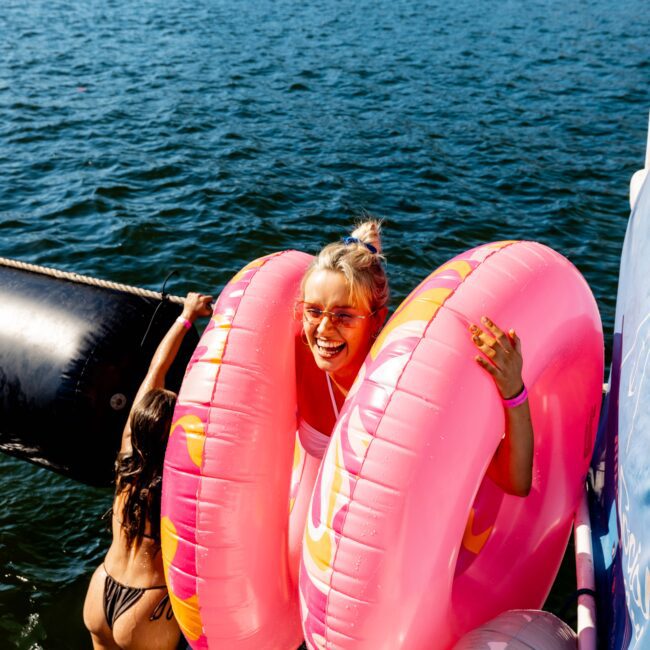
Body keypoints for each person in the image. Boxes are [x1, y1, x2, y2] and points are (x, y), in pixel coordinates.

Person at [294, 219, 533, 497]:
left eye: (343, 316)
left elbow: (516, 483)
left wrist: (514, 391)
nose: (323, 329)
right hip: (299, 528)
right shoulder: (298, 356)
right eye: (313, 311)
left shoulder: (404, 389)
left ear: (376, 320)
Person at [83, 292, 213, 650]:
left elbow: (155, 372)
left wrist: (185, 316)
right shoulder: (178, 483)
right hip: (145, 607)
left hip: (101, 590)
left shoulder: (127, 459)